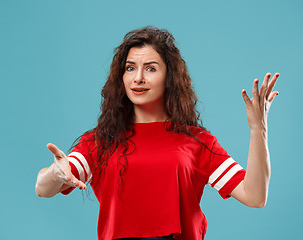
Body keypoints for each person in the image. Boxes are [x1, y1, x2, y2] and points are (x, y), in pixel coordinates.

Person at [35, 26, 279, 240]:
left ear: (169, 77)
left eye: (150, 69)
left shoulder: (197, 142)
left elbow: (255, 196)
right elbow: (43, 189)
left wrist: (259, 129)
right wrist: (55, 173)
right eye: (130, 68)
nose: (138, 78)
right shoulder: (100, 141)